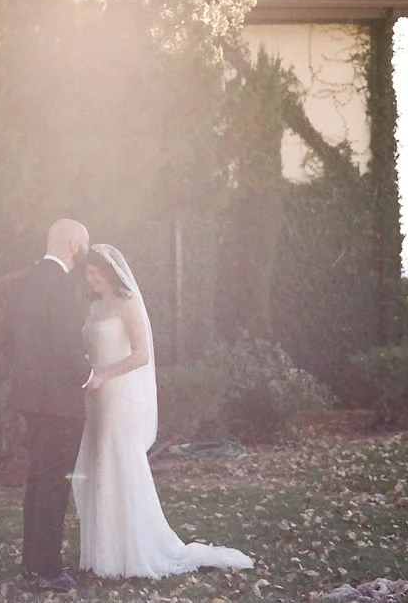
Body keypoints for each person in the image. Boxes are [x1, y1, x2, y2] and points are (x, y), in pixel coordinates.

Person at [73, 244, 255, 578]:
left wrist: (104, 374)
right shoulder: (95, 306)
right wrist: (87, 371)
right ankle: (106, 552)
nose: (92, 280)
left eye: (97, 274)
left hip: (118, 395)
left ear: (111, 273)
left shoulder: (128, 303)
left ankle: (132, 551)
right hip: (95, 395)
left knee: (121, 465)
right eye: (88, 274)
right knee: (100, 465)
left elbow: (141, 354)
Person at [3, 218, 93, 592]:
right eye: (85, 244)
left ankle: (32, 563)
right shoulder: (63, 285)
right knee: (54, 484)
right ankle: (48, 570)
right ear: (74, 245)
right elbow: (68, 344)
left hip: (30, 397)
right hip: (58, 401)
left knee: (38, 481)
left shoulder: (25, 280)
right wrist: (89, 377)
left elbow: (9, 336)